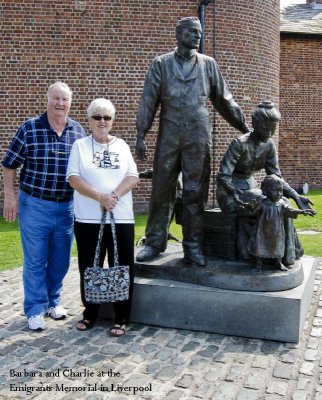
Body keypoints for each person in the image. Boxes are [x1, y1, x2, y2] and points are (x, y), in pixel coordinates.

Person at [135, 16, 250, 267]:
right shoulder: (161, 64)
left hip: (198, 135)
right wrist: (141, 134)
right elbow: (148, 100)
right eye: (191, 32)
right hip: (169, 133)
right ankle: (155, 241)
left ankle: (193, 246)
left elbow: (225, 100)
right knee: (161, 189)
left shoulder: (208, 65)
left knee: (195, 193)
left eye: (199, 32)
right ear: (178, 34)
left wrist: (245, 128)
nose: (197, 35)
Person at [1, 81, 86, 331]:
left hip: (66, 207)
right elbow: (9, 164)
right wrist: (10, 197)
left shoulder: (77, 131)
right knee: (36, 259)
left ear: (70, 103)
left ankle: (53, 301)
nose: (60, 104)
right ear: (47, 99)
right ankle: (35, 308)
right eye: (56, 98)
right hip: (34, 204)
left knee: (61, 260)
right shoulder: (29, 128)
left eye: (65, 99)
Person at [67, 98, 139, 337]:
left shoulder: (122, 146)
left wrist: (114, 196)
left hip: (121, 218)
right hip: (88, 219)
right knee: (90, 266)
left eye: (107, 117)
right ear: (89, 120)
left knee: (122, 266)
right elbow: (74, 178)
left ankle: (122, 316)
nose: (102, 121)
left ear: (112, 121)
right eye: (97, 117)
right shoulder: (80, 146)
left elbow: (132, 176)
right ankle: (90, 314)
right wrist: (99, 197)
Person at [216, 100, 315, 264]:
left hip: (253, 190)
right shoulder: (239, 144)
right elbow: (223, 176)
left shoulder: (268, 145)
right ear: (254, 124)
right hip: (230, 194)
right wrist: (235, 193)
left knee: (281, 202)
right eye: (265, 128)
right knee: (269, 206)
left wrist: (296, 196)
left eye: (273, 129)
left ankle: (285, 253)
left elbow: (276, 177)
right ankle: (260, 255)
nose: (269, 133)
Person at [249, 175, 314, 272]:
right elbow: (253, 213)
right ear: (266, 191)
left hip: (277, 231)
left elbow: (290, 210)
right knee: (260, 247)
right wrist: (252, 207)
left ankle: (278, 262)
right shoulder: (262, 203)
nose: (279, 194)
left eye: (281, 191)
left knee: (278, 247)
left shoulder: (281, 204)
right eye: (275, 190)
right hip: (262, 231)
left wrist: (301, 211)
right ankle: (259, 265)